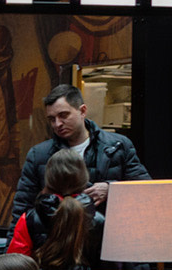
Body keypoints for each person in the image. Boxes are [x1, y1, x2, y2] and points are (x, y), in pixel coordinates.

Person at [10, 84, 149, 220]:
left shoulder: (118, 146)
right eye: (52, 119)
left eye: (63, 115)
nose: (57, 124)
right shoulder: (38, 154)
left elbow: (145, 190)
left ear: (82, 111)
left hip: (106, 234)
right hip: (58, 238)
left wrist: (110, 189)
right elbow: (22, 206)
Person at [6, 148, 103, 270]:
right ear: (84, 178)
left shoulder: (29, 219)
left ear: (49, 178)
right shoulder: (100, 220)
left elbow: (15, 267)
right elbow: (110, 267)